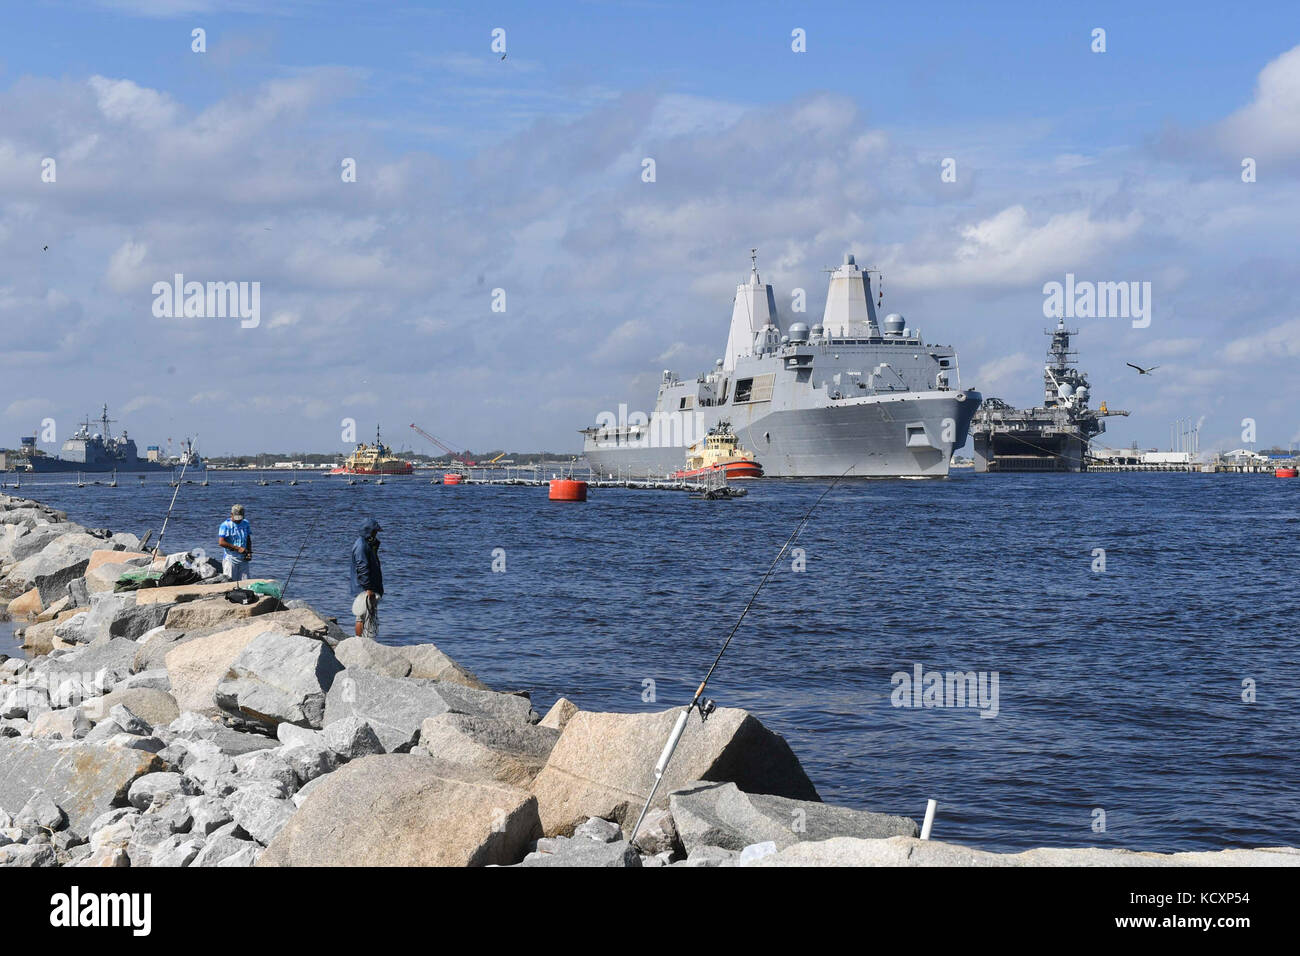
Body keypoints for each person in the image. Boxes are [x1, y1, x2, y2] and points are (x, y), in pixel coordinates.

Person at [350, 517, 383, 639]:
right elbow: (362, 568)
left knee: (369, 614)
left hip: (370, 586)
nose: (376, 534)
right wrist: (368, 589)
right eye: (375, 531)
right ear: (368, 531)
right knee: (361, 615)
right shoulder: (361, 546)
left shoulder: (367, 544)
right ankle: (359, 641)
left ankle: (368, 640)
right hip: (364, 588)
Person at [218, 504, 253, 582]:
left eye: (240, 518)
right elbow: (221, 542)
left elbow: (248, 539)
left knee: (246, 583)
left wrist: (249, 552)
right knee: (230, 583)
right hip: (230, 560)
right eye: (237, 518)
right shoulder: (225, 525)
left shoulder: (245, 523)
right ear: (231, 515)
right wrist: (237, 548)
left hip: (243, 559)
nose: (238, 520)